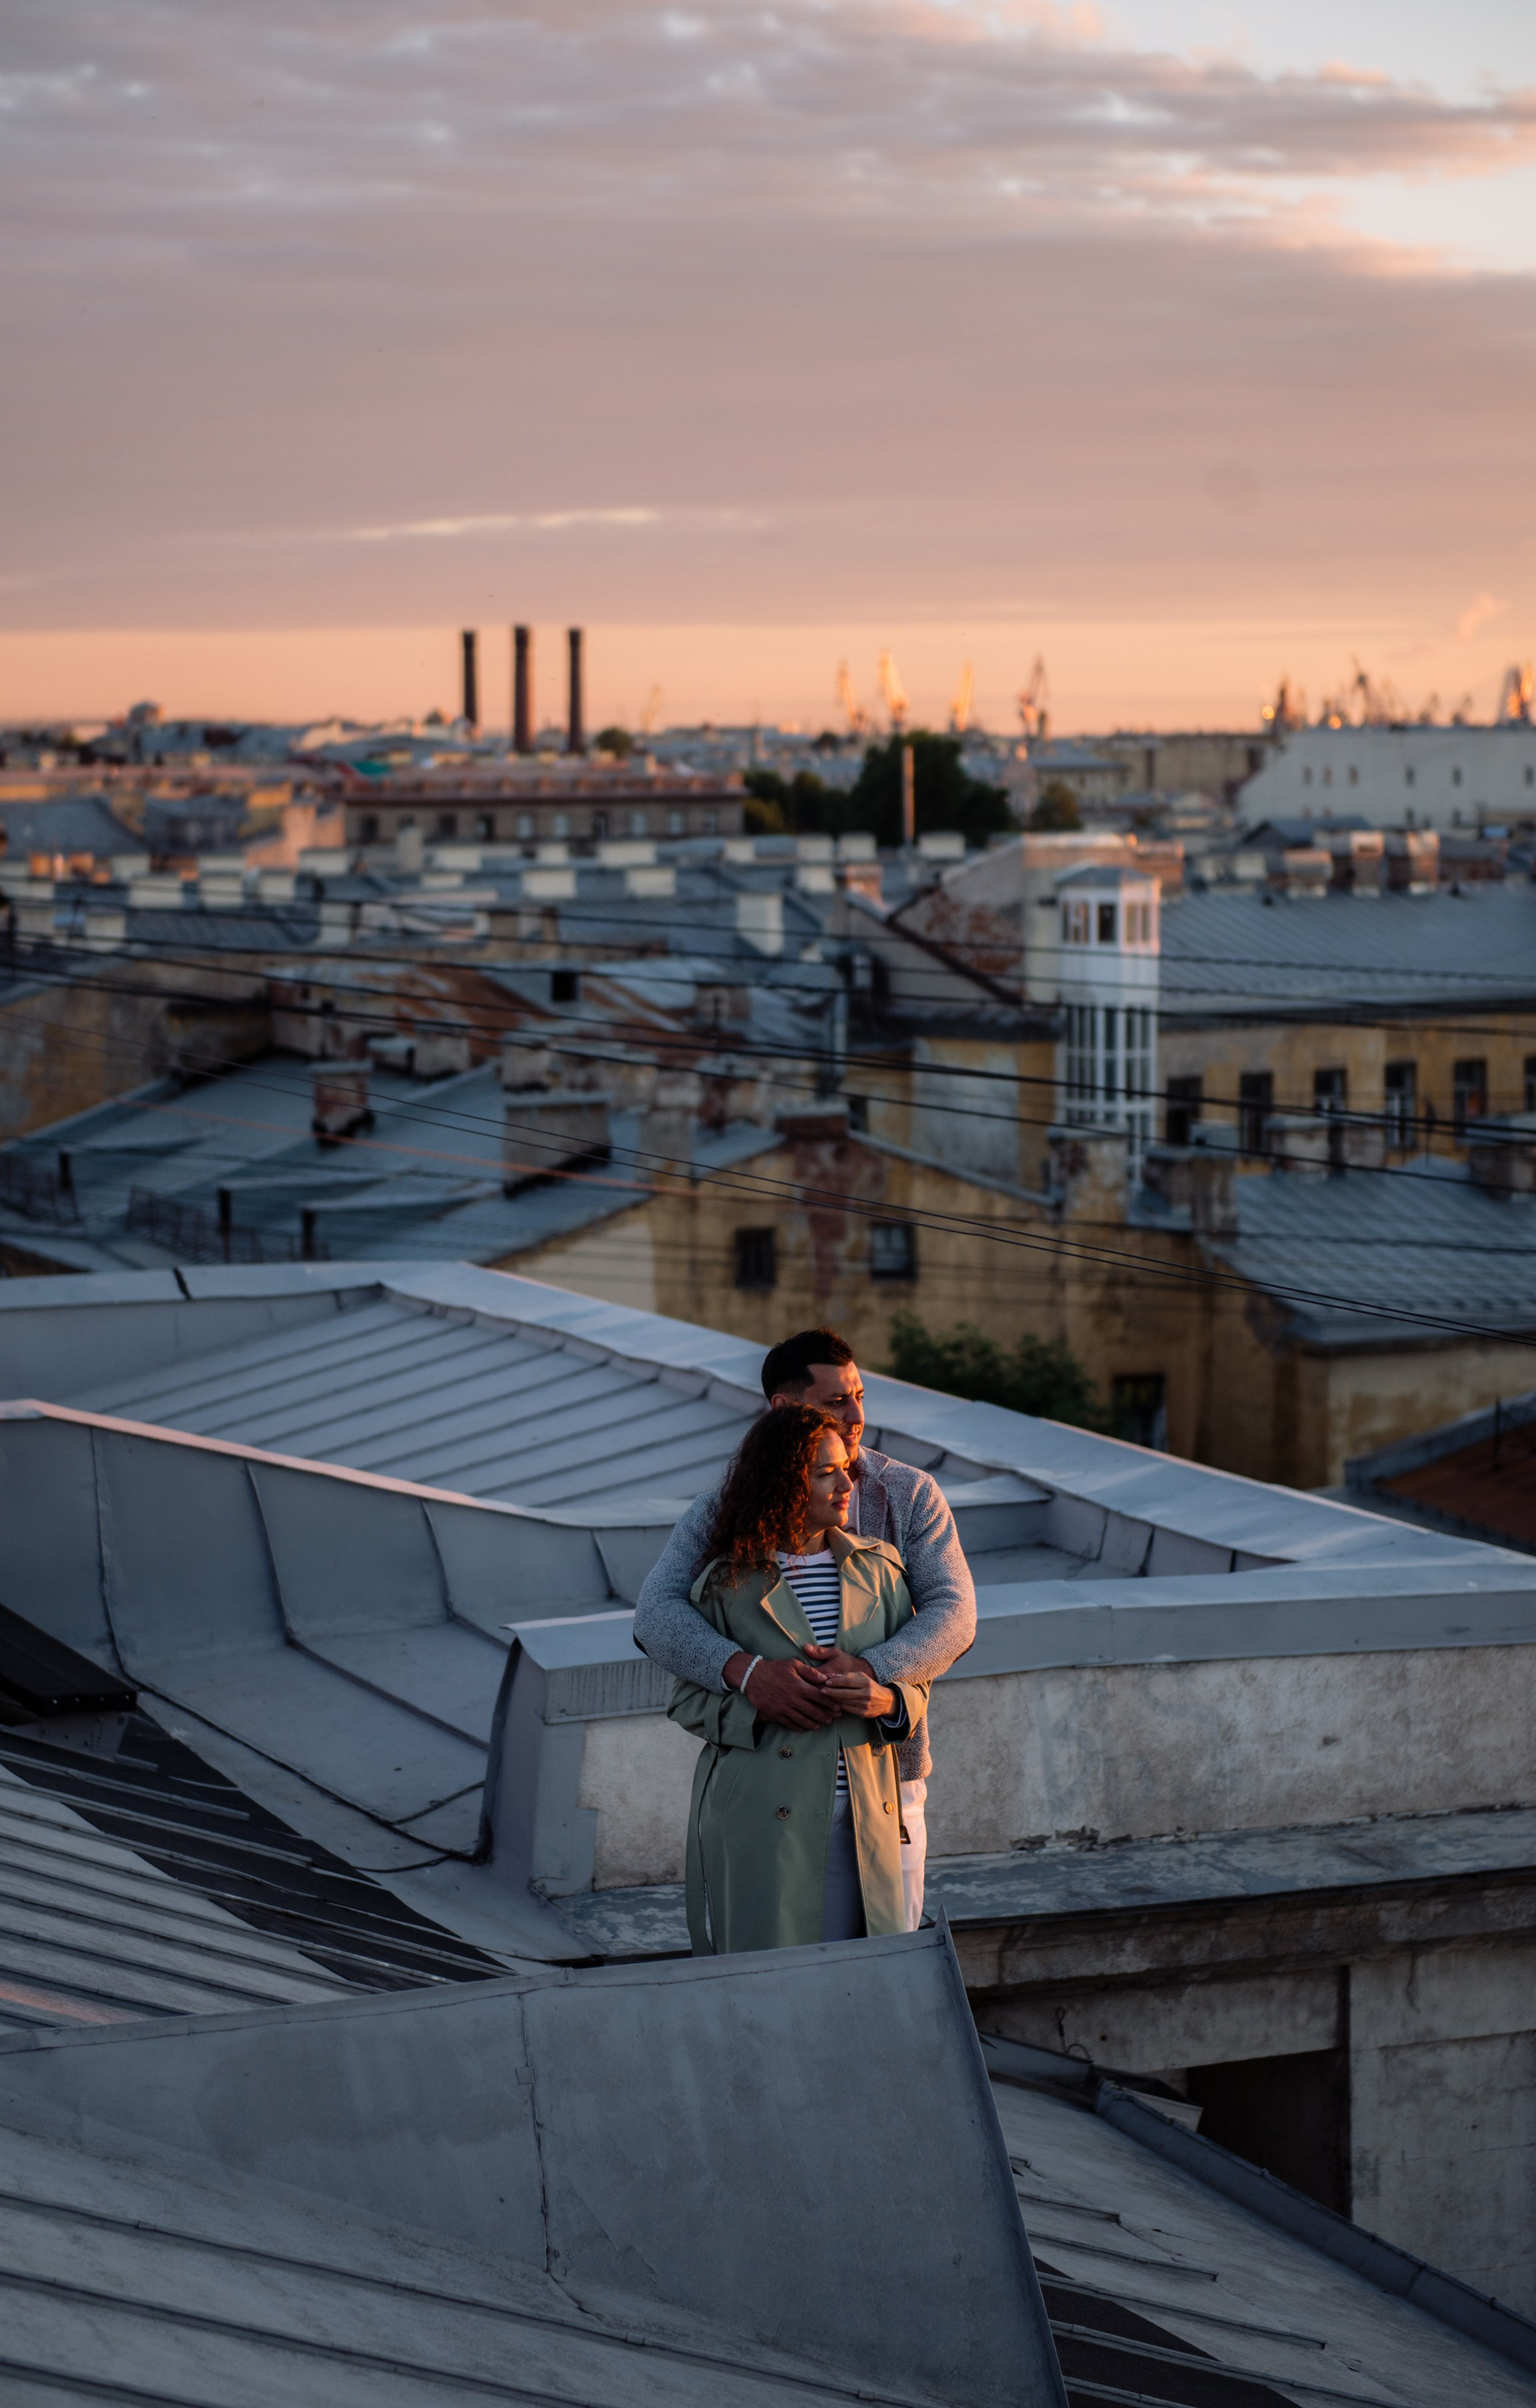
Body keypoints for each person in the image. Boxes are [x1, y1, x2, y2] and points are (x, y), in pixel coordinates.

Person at [634, 1326, 976, 1927]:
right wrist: (746, 1673)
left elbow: (955, 1616)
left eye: (860, 1396)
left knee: (884, 1965)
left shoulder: (910, 1492)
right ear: (786, 1409)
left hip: (887, 1778)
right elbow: (655, 1615)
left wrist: (874, 1673)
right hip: (771, 1788)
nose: (855, 1415)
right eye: (835, 1401)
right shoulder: (724, 1509)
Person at [670, 1404, 931, 1951]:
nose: (846, 1483)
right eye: (824, 1472)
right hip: (762, 1823)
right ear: (783, 1483)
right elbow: (686, 1702)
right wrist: (757, 1698)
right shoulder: (727, 1580)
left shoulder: (880, 1568)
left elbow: (918, 1689)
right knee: (773, 1995)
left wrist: (884, 1698)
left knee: (868, 1982)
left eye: (845, 1468)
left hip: (866, 1820)